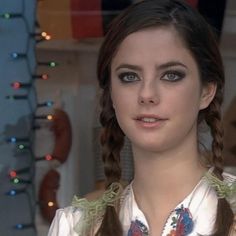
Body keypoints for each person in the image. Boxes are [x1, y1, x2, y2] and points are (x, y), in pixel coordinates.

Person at [48, 0, 236, 235]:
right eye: (129, 77)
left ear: (207, 91)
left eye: (171, 75)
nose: (147, 94)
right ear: (111, 95)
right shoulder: (74, 227)